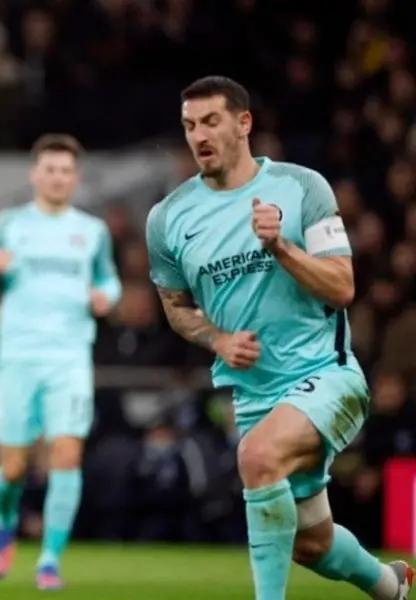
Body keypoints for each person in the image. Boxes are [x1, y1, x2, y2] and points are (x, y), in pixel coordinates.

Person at [146, 75, 413, 600]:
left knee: (257, 457)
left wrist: (283, 250)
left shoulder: (301, 187)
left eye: (211, 121)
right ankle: (391, 585)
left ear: (243, 124)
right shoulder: (168, 218)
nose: (199, 135)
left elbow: (343, 287)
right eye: (189, 125)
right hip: (255, 392)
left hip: (325, 373)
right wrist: (217, 339)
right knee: (309, 544)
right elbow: (177, 309)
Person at [0, 133, 121, 590]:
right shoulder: (9, 225)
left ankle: (49, 559)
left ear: (76, 178)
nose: (57, 177)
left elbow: (110, 280)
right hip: (17, 361)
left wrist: (106, 295)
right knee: (11, 469)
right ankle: (5, 520)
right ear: (34, 174)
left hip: (69, 360)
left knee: (66, 455)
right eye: (50, 169)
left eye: (66, 171)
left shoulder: (92, 231)